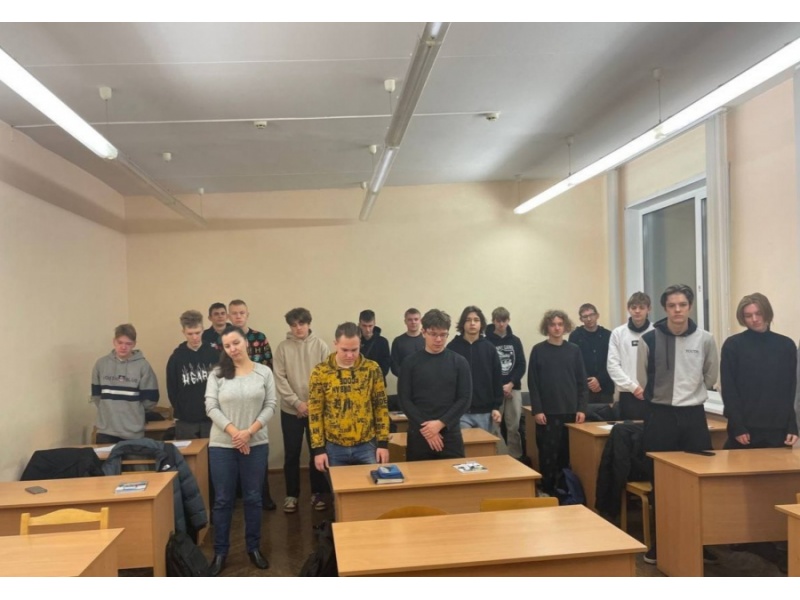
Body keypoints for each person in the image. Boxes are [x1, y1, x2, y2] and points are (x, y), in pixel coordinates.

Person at [637, 284, 718, 566]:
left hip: (693, 417)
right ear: (665, 309)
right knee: (661, 482)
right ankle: (661, 543)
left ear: (690, 306)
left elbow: (710, 376)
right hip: (660, 417)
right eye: (672, 305)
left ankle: (700, 542)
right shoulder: (649, 339)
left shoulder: (705, 339)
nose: (677, 310)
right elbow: (643, 379)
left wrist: (691, 393)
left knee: (698, 481)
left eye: (682, 304)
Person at [205, 325, 277, 576]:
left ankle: (253, 548)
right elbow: (211, 407)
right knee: (223, 500)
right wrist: (236, 432)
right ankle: (220, 552)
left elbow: (270, 405)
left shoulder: (263, 372)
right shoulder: (217, 374)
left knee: (254, 497)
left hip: (255, 443)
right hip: (222, 446)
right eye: (227, 346)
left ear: (246, 342)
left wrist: (249, 432)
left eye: (236, 343)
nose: (232, 349)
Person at [721, 293, 798, 449]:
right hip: (745, 430)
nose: (754, 319)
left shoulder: (786, 345)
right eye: (748, 315)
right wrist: (737, 426)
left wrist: (793, 425)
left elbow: (791, 390)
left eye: (758, 313)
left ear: (767, 313)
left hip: (779, 430)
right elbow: (729, 389)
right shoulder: (733, 345)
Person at [309, 322, 390, 470]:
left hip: (367, 444)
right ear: (335, 344)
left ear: (360, 345)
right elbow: (315, 412)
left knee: (371, 483)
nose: (349, 355)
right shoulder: (320, 372)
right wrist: (318, 449)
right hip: (334, 446)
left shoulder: (372, 369)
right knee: (339, 486)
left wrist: (383, 443)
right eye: (344, 350)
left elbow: (380, 407)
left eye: (354, 350)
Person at [273, 307, 331, 513]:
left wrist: (310, 405)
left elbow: (327, 378)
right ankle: (291, 495)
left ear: (309, 323)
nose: (298, 328)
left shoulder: (321, 346)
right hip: (291, 411)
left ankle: (318, 493)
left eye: (302, 324)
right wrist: (297, 403)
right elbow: (280, 379)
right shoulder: (282, 348)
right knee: (292, 453)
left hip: (316, 411)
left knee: (317, 452)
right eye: (294, 325)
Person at [399, 309, 472, 461]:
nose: (438, 339)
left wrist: (440, 424)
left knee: (453, 475)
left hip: (450, 433)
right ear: (423, 332)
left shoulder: (459, 362)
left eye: (443, 334)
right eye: (433, 334)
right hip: (419, 434)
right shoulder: (409, 363)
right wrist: (427, 428)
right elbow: (404, 400)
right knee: (420, 475)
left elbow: (465, 398)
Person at [528, 310, 587, 496]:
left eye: (560, 324)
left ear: (565, 327)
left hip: (570, 412)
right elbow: (533, 383)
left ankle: (566, 491)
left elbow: (581, 382)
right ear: (547, 327)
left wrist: (581, 409)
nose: (557, 328)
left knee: (567, 455)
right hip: (547, 414)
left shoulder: (574, 350)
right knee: (547, 456)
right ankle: (547, 491)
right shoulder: (538, 350)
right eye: (553, 324)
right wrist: (537, 410)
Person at [227, 298, 276, 509]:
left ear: (247, 314)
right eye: (234, 313)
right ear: (229, 316)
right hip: (232, 404)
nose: (238, 316)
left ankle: (263, 495)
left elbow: (268, 368)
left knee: (258, 452)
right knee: (235, 451)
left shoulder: (259, 337)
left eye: (242, 313)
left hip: (257, 404)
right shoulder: (224, 340)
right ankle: (239, 497)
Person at [91, 323, 159, 444]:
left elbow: (150, 400)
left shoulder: (143, 366)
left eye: (128, 344)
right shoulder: (101, 364)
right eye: (120, 342)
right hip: (106, 430)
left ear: (134, 344)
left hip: (133, 431)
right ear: (114, 341)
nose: (123, 347)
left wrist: (136, 413)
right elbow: (96, 396)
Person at [447, 306, 503, 433]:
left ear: (481, 324)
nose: (472, 323)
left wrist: (496, 406)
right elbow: (446, 380)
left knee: (484, 445)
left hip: (485, 412)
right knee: (465, 445)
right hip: (459, 411)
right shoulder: (452, 348)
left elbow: (497, 379)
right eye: (468, 320)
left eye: (476, 320)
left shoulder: (489, 348)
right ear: (463, 323)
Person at [166, 310, 219, 440]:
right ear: (183, 332)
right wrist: (180, 409)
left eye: (197, 332)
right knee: (188, 453)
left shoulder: (214, 354)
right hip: (186, 420)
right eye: (190, 334)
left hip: (211, 416)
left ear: (203, 330)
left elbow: (222, 383)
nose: (194, 337)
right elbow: (172, 388)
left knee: (211, 452)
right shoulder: (176, 357)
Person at [485, 306, 526, 458]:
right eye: (498, 321)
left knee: (514, 426)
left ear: (508, 321)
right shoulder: (486, 341)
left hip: (513, 388)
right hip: (494, 390)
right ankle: (500, 457)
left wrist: (511, 384)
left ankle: (516, 457)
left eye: (504, 321)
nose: (501, 324)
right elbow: (486, 367)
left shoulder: (515, 341)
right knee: (494, 426)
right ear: (493, 321)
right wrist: (500, 387)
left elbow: (521, 364)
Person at [607, 292, 654, 421]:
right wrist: (633, 387)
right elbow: (612, 366)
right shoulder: (618, 333)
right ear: (628, 309)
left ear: (649, 309)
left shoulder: (657, 331)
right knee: (629, 431)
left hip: (653, 394)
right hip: (628, 394)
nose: (637, 311)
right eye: (634, 307)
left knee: (654, 431)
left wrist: (648, 388)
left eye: (641, 307)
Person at [569, 303, 614, 421]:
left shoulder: (608, 335)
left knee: (606, 422)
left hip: (605, 387)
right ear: (581, 319)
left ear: (597, 315)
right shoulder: (575, 336)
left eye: (591, 315)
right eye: (585, 316)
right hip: (583, 389)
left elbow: (612, 361)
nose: (589, 319)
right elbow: (574, 363)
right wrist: (589, 381)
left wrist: (599, 380)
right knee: (584, 423)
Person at [390, 307, 425, 377]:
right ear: (405, 321)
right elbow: (394, 365)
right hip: (405, 381)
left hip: (425, 380)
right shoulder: (398, 341)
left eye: (416, 319)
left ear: (420, 321)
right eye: (410, 320)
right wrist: (405, 377)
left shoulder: (427, 339)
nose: (413, 322)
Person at [358, 309, 391, 382]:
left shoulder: (383, 342)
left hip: (378, 382)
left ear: (374, 324)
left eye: (370, 326)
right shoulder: (354, 341)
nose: (367, 329)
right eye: (364, 326)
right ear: (359, 324)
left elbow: (385, 366)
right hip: (358, 382)